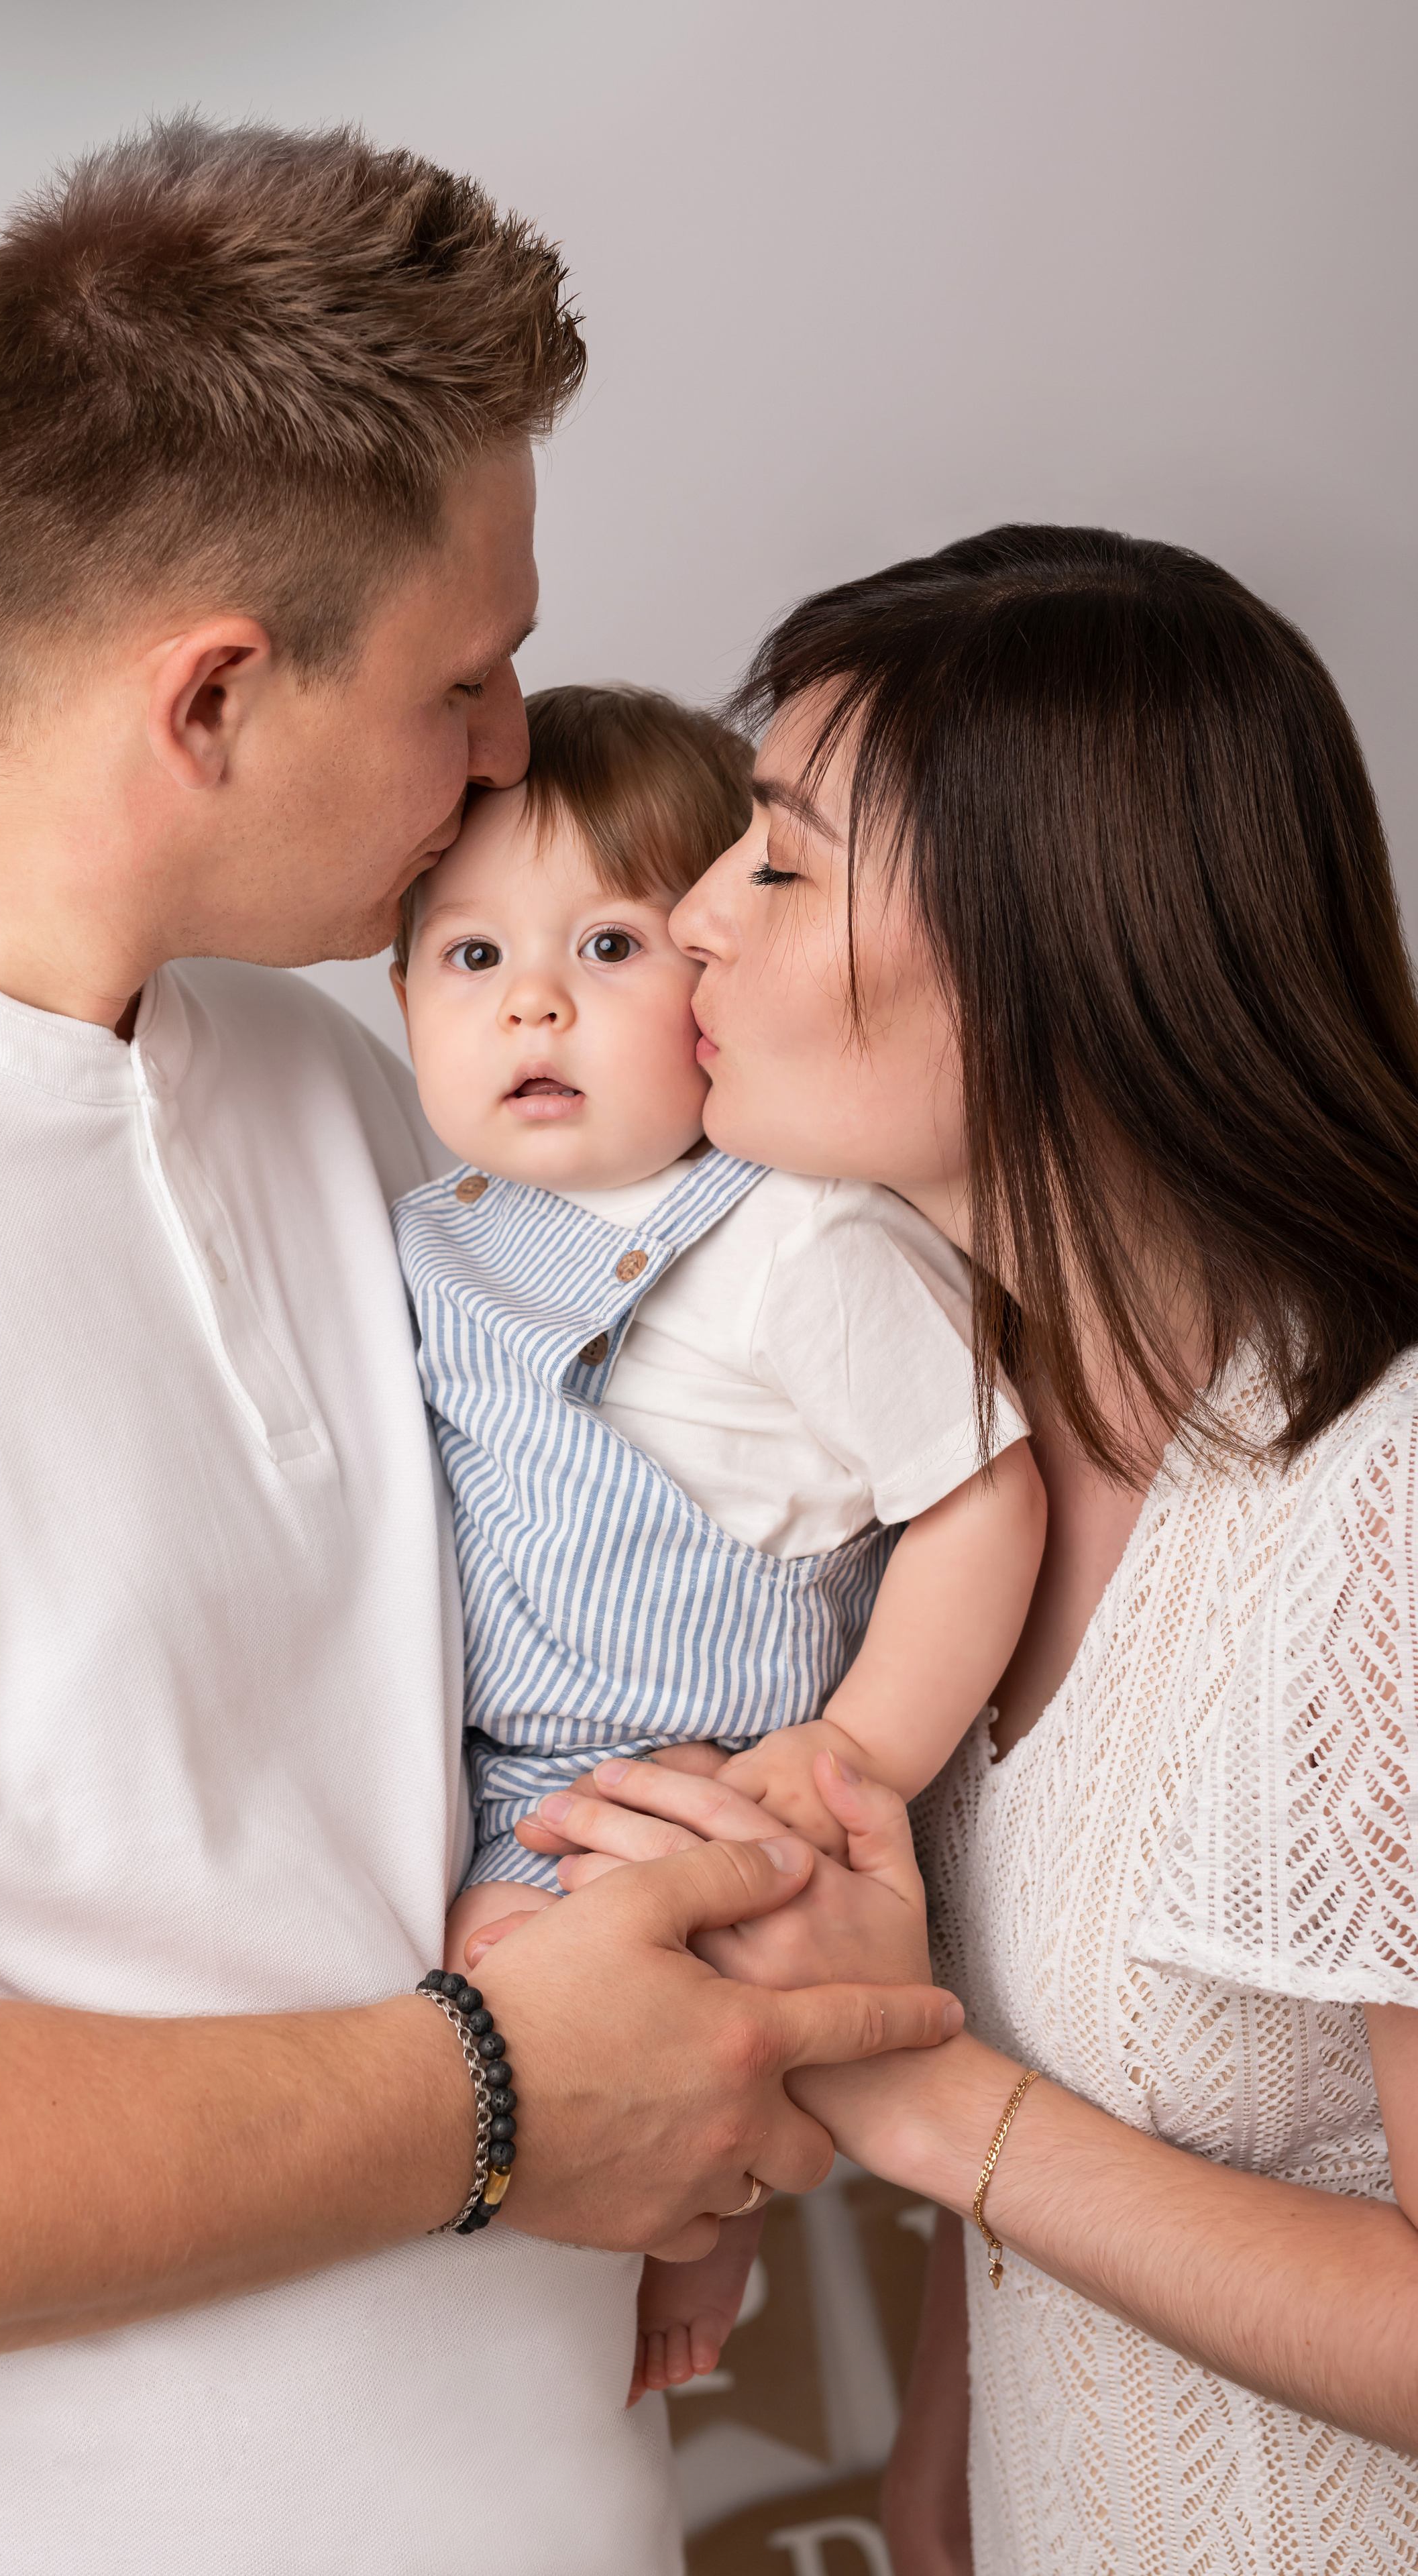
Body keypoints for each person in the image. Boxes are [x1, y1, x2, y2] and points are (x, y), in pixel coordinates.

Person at [0, 119, 963, 2575]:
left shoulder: (328, 1082)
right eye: (467, 682)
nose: (514, 760)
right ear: (211, 700)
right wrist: (499, 2094)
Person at [514, 525, 1418, 2572]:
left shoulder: (1382, 1506)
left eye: (783, 862)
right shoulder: (941, 1472)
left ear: (1062, 950)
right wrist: (945, 2467)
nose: (688, 926)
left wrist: (923, 2112)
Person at [388, 681, 1044, 2394]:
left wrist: (850, 1756)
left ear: (709, 972)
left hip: (699, 1769)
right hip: (486, 1751)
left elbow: (979, 1488)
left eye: (605, 947)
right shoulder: (427, 1231)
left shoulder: (795, 1241)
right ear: (396, 998)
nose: (531, 999)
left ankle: (710, 2235)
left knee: (603, 2019)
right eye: (469, 961)